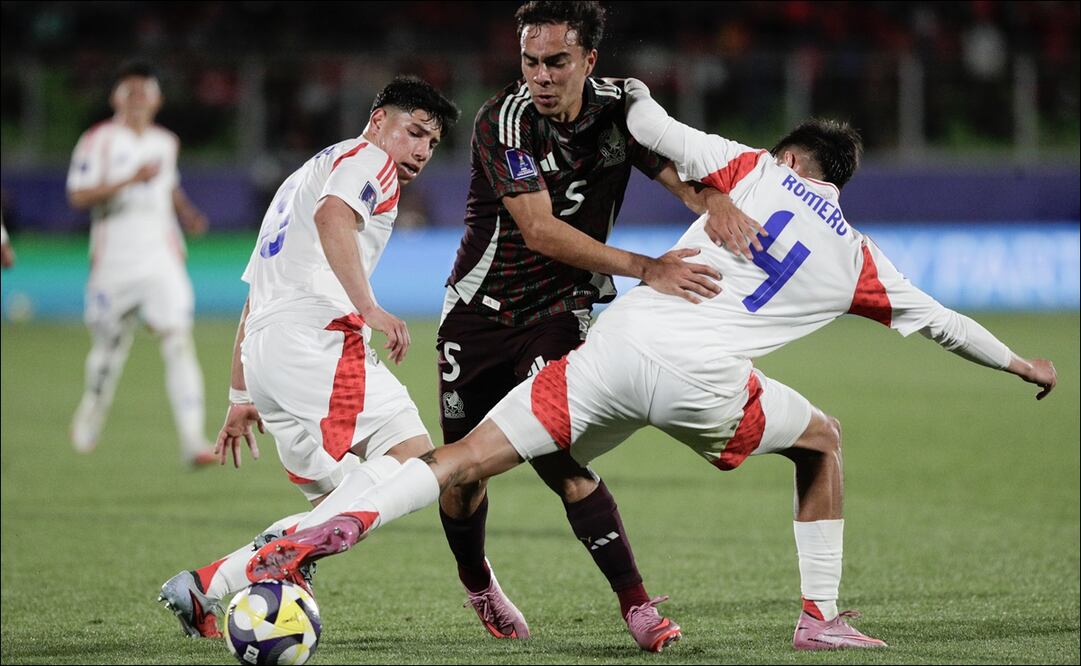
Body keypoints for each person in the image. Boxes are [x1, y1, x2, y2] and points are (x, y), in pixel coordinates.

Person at [244, 78, 1057, 652]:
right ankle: (818, 617)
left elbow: (647, 118)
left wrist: (661, 133)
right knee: (822, 441)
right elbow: (946, 324)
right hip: (698, 380)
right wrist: (1019, 362)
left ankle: (334, 529)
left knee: (460, 461)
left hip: (615, 345)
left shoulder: (748, 172)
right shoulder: (859, 258)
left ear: (791, 158)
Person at [433, 1, 759, 650]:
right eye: (530, 62)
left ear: (588, 59)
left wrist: (717, 201)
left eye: (556, 62)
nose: (541, 77)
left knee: (560, 456)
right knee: (463, 477)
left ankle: (636, 605)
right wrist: (647, 266)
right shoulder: (504, 120)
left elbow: (681, 174)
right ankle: (478, 583)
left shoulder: (621, 112)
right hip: (477, 317)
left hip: (560, 313)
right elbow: (538, 230)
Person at [156, 75, 460, 639]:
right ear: (377, 122)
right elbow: (332, 218)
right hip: (319, 339)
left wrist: (241, 395)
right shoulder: (369, 159)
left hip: (270, 354)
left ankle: (205, 585)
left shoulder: (299, 178)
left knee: (345, 504)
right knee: (419, 460)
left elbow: (256, 296)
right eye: (413, 131)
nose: (420, 149)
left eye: (432, 143)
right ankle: (261, 566)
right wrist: (368, 307)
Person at [66, 60, 215, 466]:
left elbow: (168, 185)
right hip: (114, 260)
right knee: (109, 350)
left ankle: (193, 440)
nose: (136, 99)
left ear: (157, 99)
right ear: (116, 97)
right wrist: (128, 179)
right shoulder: (97, 140)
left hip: (161, 257)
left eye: (144, 92)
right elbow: (78, 195)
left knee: (178, 340)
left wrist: (186, 212)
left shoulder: (165, 143)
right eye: (128, 92)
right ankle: (92, 409)